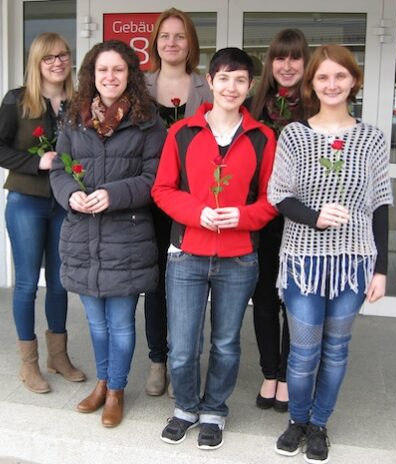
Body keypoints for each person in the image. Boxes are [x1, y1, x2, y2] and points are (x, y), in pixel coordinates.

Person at [269, 44, 392, 463]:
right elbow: (279, 196)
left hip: (355, 261)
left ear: (353, 81)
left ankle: (320, 424)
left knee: (336, 350)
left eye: (340, 76)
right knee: (304, 351)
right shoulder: (295, 136)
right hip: (303, 259)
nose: (332, 84)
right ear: (312, 84)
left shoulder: (371, 138)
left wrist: (382, 269)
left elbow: (380, 205)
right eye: (323, 77)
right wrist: (315, 216)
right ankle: (297, 420)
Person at [152, 48, 278, 450]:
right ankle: (186, 407)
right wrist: (197, 213)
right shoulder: (183, 133)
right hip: (187, 254)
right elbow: (163, 190)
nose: (231, 87)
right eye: (224, 78)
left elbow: (272, 201)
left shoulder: (261, 137)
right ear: (209, 81)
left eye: (240, 80)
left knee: (225, 342)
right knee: (183, 344)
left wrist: (240, 217)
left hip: (239, 258)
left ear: (250, 86)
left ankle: (214, 411)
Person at [49, 40, 167, 428]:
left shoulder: (149, 120)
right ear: (91, 75)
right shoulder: (73, 118)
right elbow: (59, 170)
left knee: (119, 322)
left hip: (126, 237)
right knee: (95, 323)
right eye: (103, 70)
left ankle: (116, 390)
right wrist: (71, 196)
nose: (110, 77)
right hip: (83, 234)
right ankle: (101, 383)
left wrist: (112, 195)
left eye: (118, 70)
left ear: (130, 74)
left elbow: (154, 179)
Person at [0, 32, 85, 394]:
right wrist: (34, 161)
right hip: (26, 201)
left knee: (60, 282)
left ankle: (58, 357)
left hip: (63, 203)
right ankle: (28, 365)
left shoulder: (78, 102)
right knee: (28, 283)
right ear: (37, 63)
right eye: (49, 58)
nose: (58, 62)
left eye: (63, 56)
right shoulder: (17, 100)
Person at [142, 7, 213, 397]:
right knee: (155, 282)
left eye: (180, 36)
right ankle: (158, 361)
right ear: (155, 42)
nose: (172, 43)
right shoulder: (139, 85)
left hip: (192, 201)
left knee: (187, 283)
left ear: (191, 43)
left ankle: (184, 361)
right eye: (165, 36)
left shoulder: (207, 88)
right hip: (148, 200)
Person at [248, 29, 310, 413]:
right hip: (264, 218)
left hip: (302, 219)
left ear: (306, 63)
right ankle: (270, 373)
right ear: (271, 64)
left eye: (295, 58)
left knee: (295, 299)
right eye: (280, 58)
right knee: (265, 297)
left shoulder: (316, 106)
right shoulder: (255, 106)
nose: (287, 66)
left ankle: (288, 375)